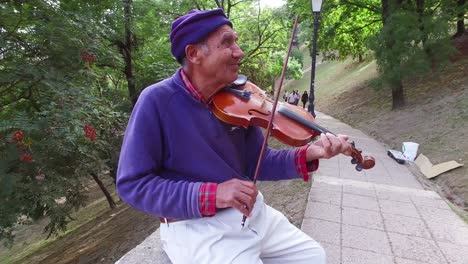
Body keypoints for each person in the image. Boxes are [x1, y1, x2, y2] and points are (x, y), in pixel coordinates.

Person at [117, 8, 352, 264]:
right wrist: (213, 193)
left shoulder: (237, 98)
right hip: (196, 227)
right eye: (227, 42)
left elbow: (256, 163)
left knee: (313, 257)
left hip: (252, 214)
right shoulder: (156, 101)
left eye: (236, 41)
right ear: (194, 53)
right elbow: (133, 184)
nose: (239, 52)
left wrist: (312, 152)